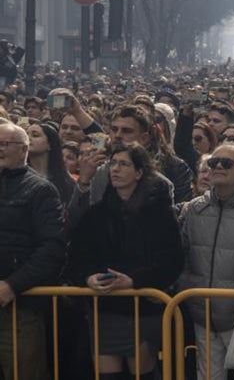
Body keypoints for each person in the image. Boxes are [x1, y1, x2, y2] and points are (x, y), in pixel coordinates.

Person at [67, 142, 183, 380]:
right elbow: (79, 256)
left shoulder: (160, 212)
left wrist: (133, 280)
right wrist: (88, 277)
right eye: (113, 164)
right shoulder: (98, 213)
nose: (115, 170)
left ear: (139, 172)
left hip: (143, 307)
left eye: (124, 164)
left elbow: (171, 261)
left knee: (142, 374)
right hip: (105, 308)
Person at [178, 143, 234, 380]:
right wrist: (187, 287)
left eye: (227, 163)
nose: (217, 166)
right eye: (213, 162)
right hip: (201, 311)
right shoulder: (194, 209)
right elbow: (183, 254)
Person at [0, 122, 65, 380]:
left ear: (24, 149)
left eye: (5, 144)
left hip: (19, 307)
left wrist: (12, 285)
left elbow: (53, 248)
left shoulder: (41, 190)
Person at [27, 121, 76, 204]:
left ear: (50, 144)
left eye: (35, 135)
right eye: (26, 135)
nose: (28, 138)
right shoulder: (16, 174)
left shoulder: (67, 182)